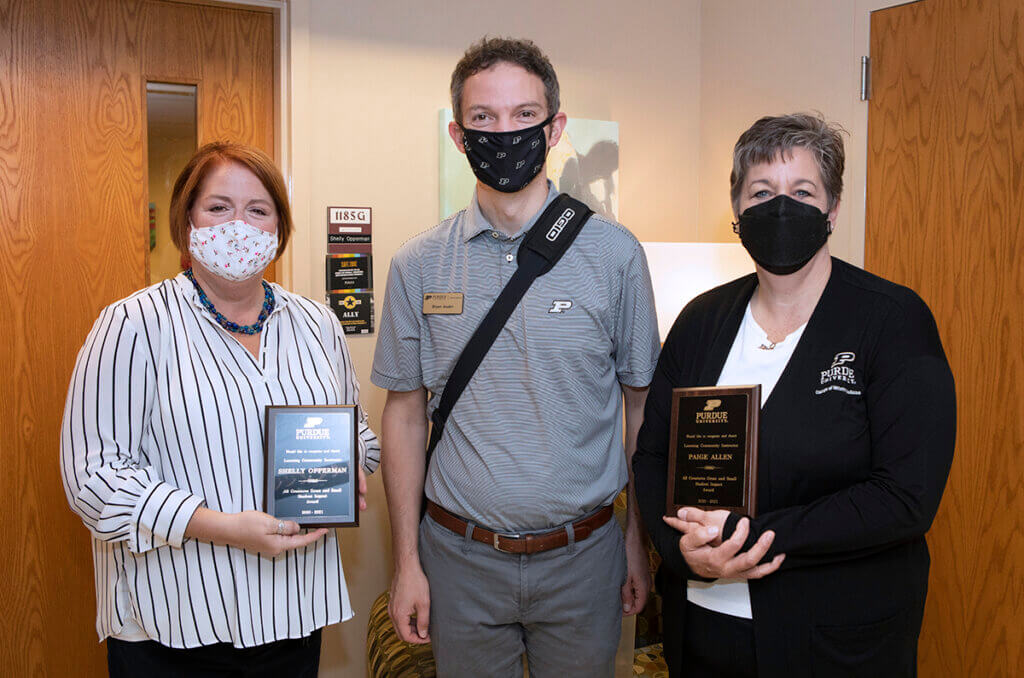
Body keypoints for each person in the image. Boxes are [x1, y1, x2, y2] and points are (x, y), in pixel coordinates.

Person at [372, 37, 660, 678]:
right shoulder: (417, 264)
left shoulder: (615, 256)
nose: (505, 133)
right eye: (484, 118)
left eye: (524, 115)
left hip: (584, 560)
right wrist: (406, 563)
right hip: (460, 559)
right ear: (458, 133)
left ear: (555, 127)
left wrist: (636, 543)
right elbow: (404, 415)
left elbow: (641, 409)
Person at [632, 113, 956, 678]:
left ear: (831, 210)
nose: (780, 208)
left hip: (837, 637)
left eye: (802, 191)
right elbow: (655, 455)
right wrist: (679, 549)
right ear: (736, 211)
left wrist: (751, 538)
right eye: (761, 192)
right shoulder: (701, 321)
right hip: (706, 626)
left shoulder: (892, 320)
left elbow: (906, 496)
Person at [59, 142, 380, 677]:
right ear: (188, 221)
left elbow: (360, 437)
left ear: (279, 228)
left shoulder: (317, 323)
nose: (240, 225)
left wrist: (348, 458)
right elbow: (95, 479)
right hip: (175, 624)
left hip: (292, 612)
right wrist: (220, 527)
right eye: (218, 207)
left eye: (259, 210)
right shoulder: (134, 324)